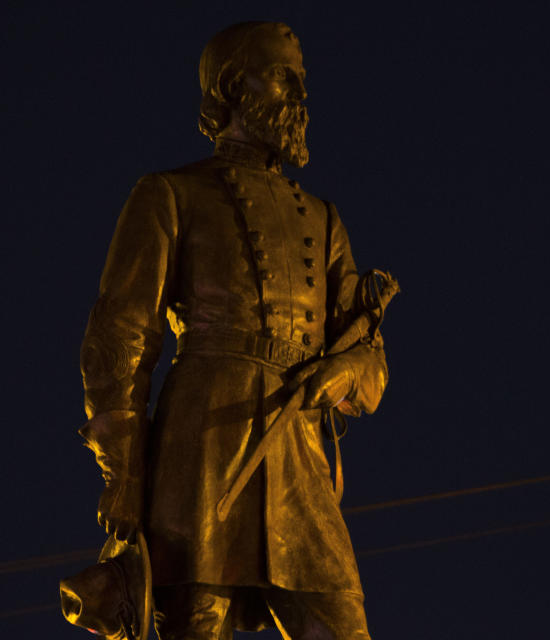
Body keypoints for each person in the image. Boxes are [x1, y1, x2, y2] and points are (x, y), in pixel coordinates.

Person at [78, 21, 388, 640]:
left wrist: (345, 370)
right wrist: (124, 479)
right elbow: (120, 342)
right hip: (202, 447)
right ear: (231, 88)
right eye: (282, 76)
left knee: (344, 622)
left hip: (298, 449)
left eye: (301, 79)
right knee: (198, 624)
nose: (300, 92)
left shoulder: (325, 221)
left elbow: (373, 367)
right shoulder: (171, 194)